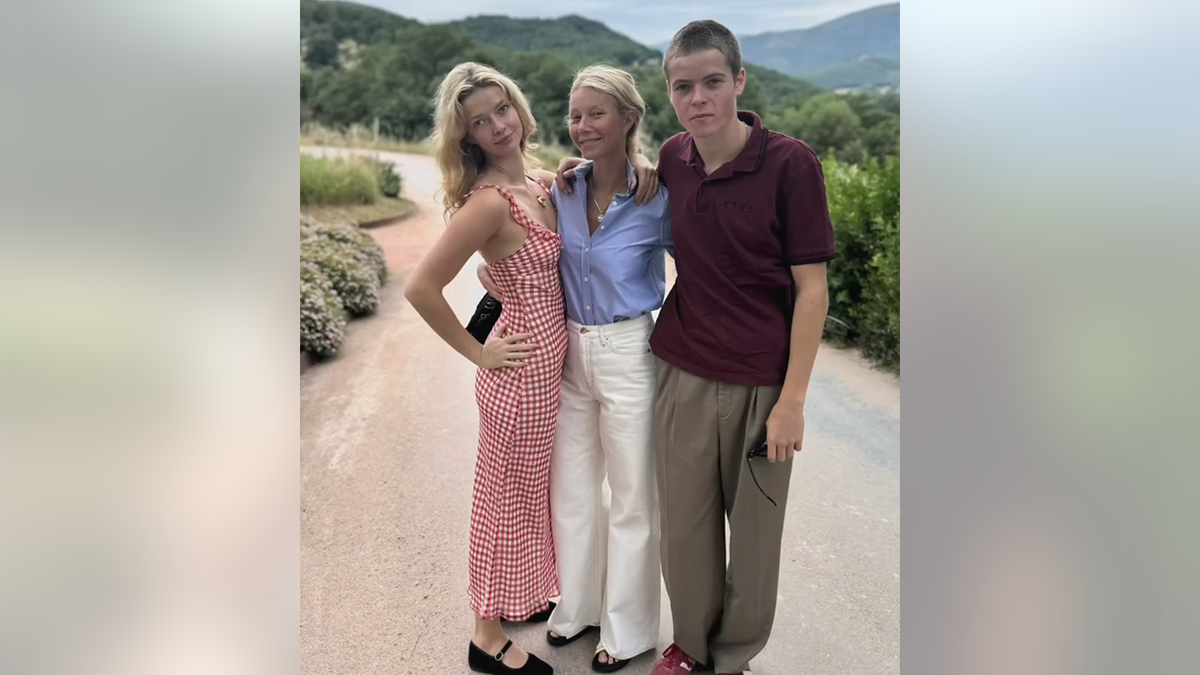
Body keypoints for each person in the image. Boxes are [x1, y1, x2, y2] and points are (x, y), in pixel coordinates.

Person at [556, 20, 835, 675]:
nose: (699, 97)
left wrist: (793, 400)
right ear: (669, 95)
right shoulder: (674, 163)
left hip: (762, 381)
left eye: (713, 82)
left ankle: (731, 656)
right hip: (679, 368)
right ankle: (690, 644)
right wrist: (583, 162)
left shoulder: (790, 163)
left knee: (756, 538)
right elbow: (620, 185)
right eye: (684, 86)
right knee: (684, 530)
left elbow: (812, 290)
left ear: (739, 80)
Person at [480, 65, 668, 673]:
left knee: (633, 497)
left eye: (596, 114)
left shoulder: (656, 195)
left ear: (629, 120)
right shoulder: (558, 187)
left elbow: (699, 271)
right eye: (575, 115)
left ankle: (629, 628)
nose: (582, 127)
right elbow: (513, 261)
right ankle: (578, 608)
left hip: (628, 352)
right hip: (566, 352)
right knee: (574, 491)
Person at [404, 61, 566, 675]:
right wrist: (479, 352)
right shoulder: (489, 204)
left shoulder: (544, 184)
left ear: (520, 109)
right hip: (518, 377)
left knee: (530, 496)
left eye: (503, 109)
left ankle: (514, 600)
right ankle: (486, 636)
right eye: (480, 121)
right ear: (467, 136)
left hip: (551, 372)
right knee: (503, 498)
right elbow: (421, 287)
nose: (498, 125)